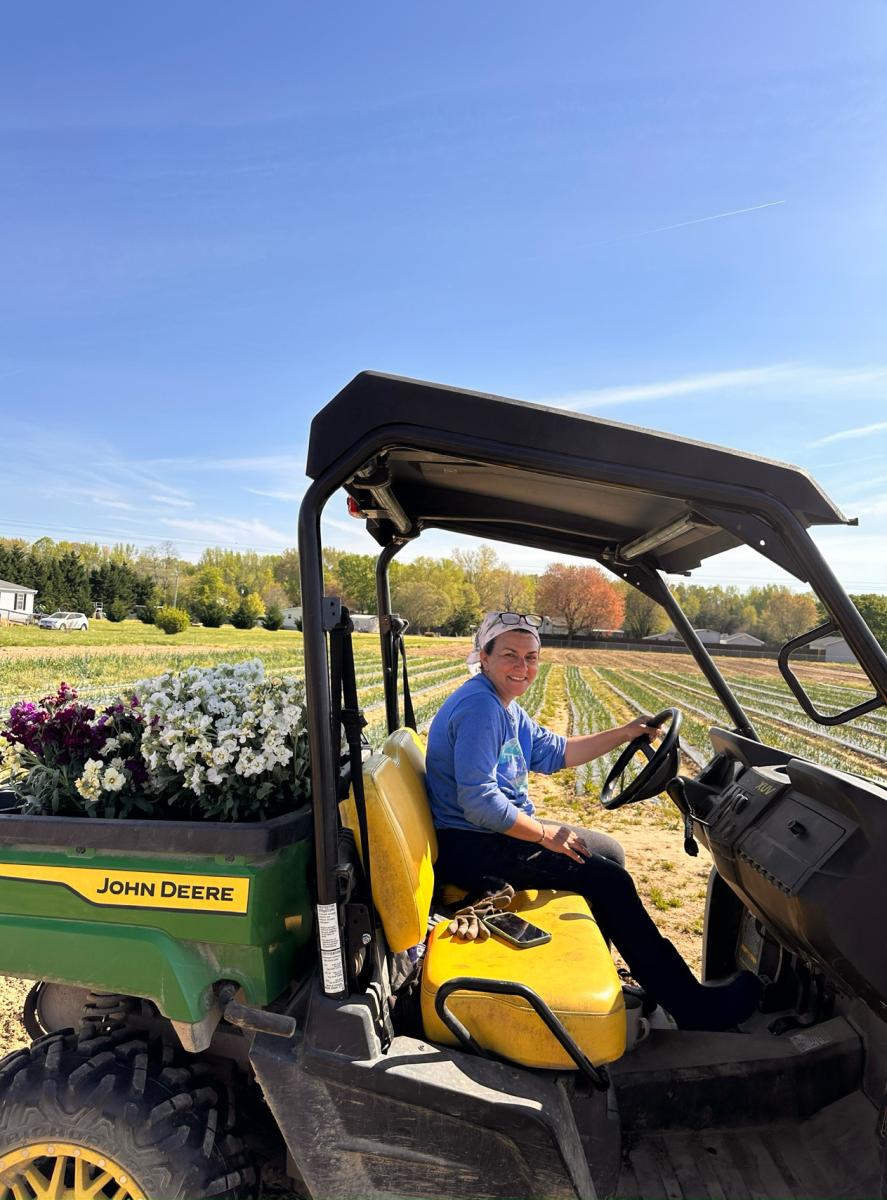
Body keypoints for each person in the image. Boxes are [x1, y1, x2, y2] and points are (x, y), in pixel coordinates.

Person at [425, 611, 761, 1032]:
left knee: (608, 853)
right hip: (471, 846)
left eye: (531, 657)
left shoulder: (504, 706)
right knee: (610, 881)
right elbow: (479, 804)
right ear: (484, 657)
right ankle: (692, 1007)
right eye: (510, 655)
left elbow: (556, 752)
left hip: (487, 834)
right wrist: (544, 834)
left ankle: (607, 977)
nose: (522, 666)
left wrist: (624, 733)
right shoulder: (480, 707)